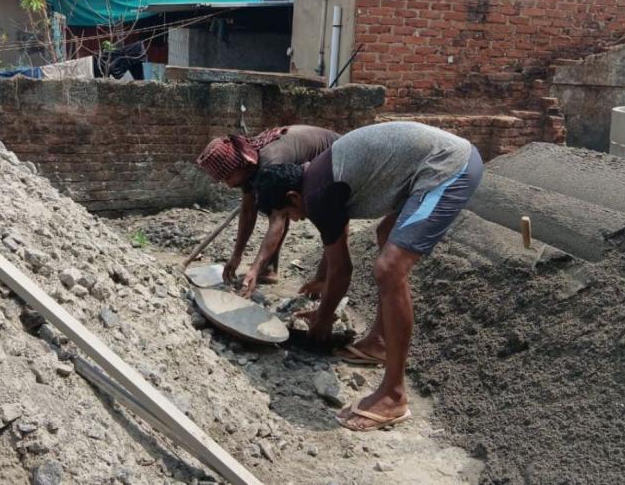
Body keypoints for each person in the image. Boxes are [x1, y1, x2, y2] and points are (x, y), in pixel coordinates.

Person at [253, 122, 483, 431]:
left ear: (293, 197)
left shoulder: (317, 194)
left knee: (389, 268)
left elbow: (343, 269)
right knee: (386, 233)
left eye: (288, 214)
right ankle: (379, 342)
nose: (295, 219)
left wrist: (323, 320)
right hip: (426, 165)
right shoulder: (315, 180)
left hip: (449, 167)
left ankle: (394, 395)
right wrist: (324, 308)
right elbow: (336, 252)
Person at [196, 125, 339, 296]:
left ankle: (323, 281)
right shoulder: (248, 165)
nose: (228, 184)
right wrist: (236, 256)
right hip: (313, 159)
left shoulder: (271, 161)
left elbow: (278, 218)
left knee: (326, 217)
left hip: (336, 157)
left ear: (239, 165)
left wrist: (254, 269)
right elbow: (248, 211)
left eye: (228, 177)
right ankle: (269, 269)